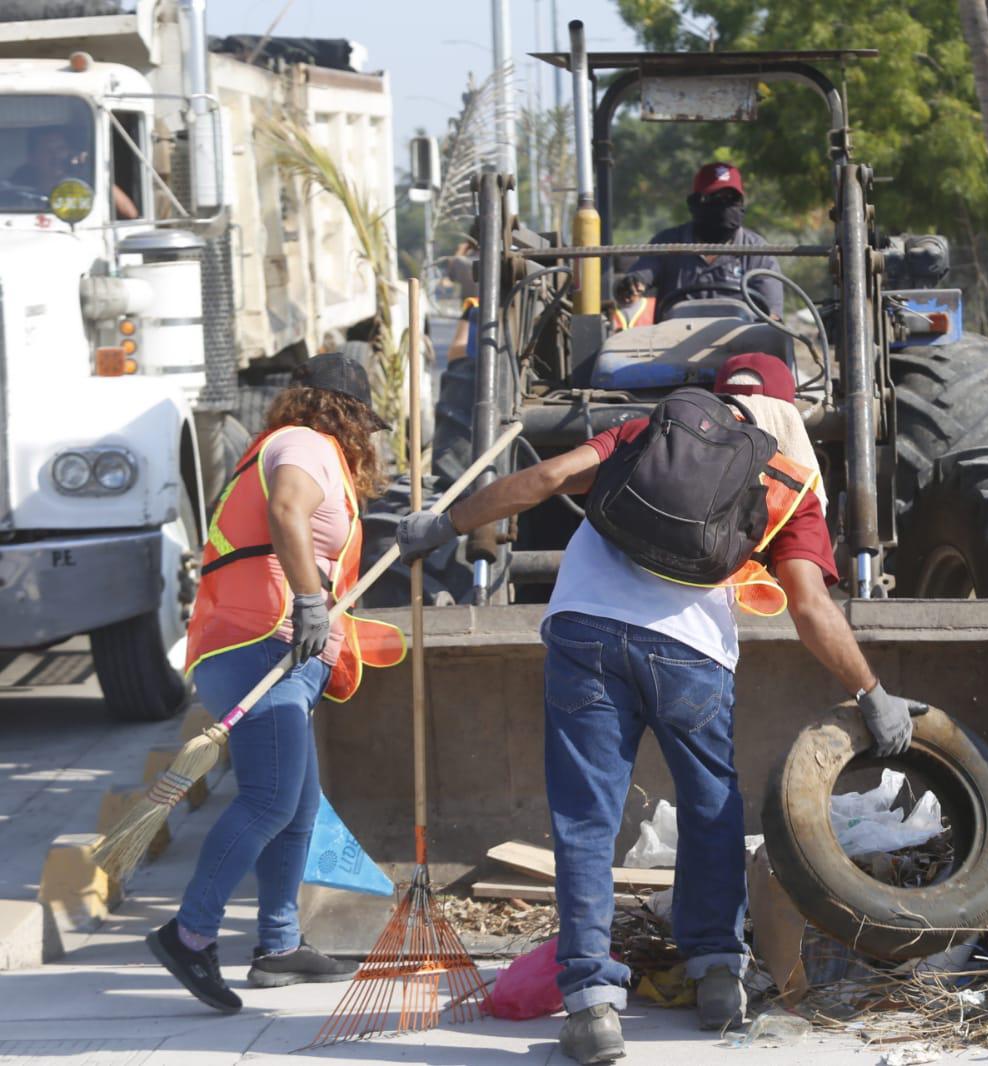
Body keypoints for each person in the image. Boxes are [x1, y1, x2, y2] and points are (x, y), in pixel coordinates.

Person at [395, 353, 923, 1065]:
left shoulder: (651, 429)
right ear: (788, 407)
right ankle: (716, 976)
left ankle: (589, 1007)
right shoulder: (791, 483)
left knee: (586, 821)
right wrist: (871, 691)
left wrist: (446, 525)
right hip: (691, 658)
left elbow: (545, 479)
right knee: (710, 807)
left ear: (715, 398)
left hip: (584, 633)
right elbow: (808, 605)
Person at [145, 354, 405, 1011]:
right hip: (260, 644)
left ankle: (279, 946)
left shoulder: (287, 444)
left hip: (265, 649)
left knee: (296, 807)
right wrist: (311, 601)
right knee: (267, 800)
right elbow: (289, 511)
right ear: (345, 413)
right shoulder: (305, 445)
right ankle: (190, 934)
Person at [612, 162, 784, 321]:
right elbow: (637, 281)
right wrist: (631, 285)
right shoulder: (668, 243)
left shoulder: (757, 251)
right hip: (674, 344)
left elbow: (772, 316)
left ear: (741, 204)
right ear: (694, 203)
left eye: (730, 199)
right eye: (714, 198)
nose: (723, 206)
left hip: (739, 346)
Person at [9, 125, 137, 220]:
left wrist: (95, 172)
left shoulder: (82, 188)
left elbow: (130, 214)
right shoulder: (17, 192)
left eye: (60, 149)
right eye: (47, 150)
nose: (56, 156)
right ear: (33, 158)